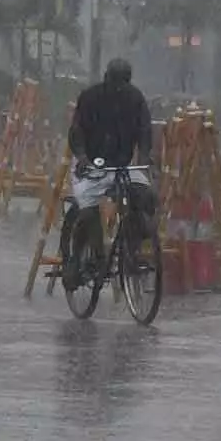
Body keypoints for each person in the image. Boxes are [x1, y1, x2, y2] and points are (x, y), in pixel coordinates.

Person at [61, 57, 157, 291]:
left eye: (123, 83)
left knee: (147, 197)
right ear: (106, 78)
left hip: (122, 167)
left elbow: (145, 131)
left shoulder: (136, 99)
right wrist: (83, 157)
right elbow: (76, 132)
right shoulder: (90, 97)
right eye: (115, 82)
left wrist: (144, 158)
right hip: (91, 165)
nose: (119, 88)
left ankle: (131, 247)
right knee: (88, 211)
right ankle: (83, 257)